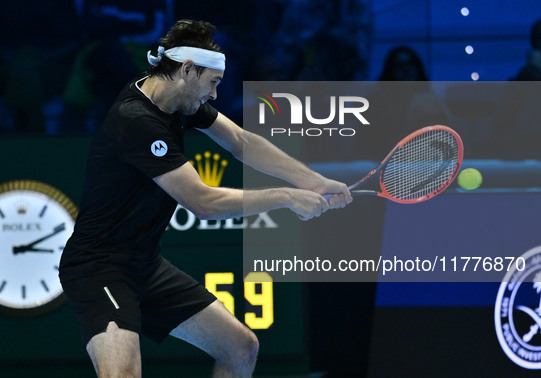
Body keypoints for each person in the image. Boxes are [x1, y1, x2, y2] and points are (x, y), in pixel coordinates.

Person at [58, 19, 351, 377]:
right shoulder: (135, 120)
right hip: (98, 268)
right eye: (212, 83)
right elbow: (203, 202)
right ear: (187, 69)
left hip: (144, 265)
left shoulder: (176, 98)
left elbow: (241, 142)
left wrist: (313, 181)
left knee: (240, 348)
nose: (214, 95)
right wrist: (287, 196)